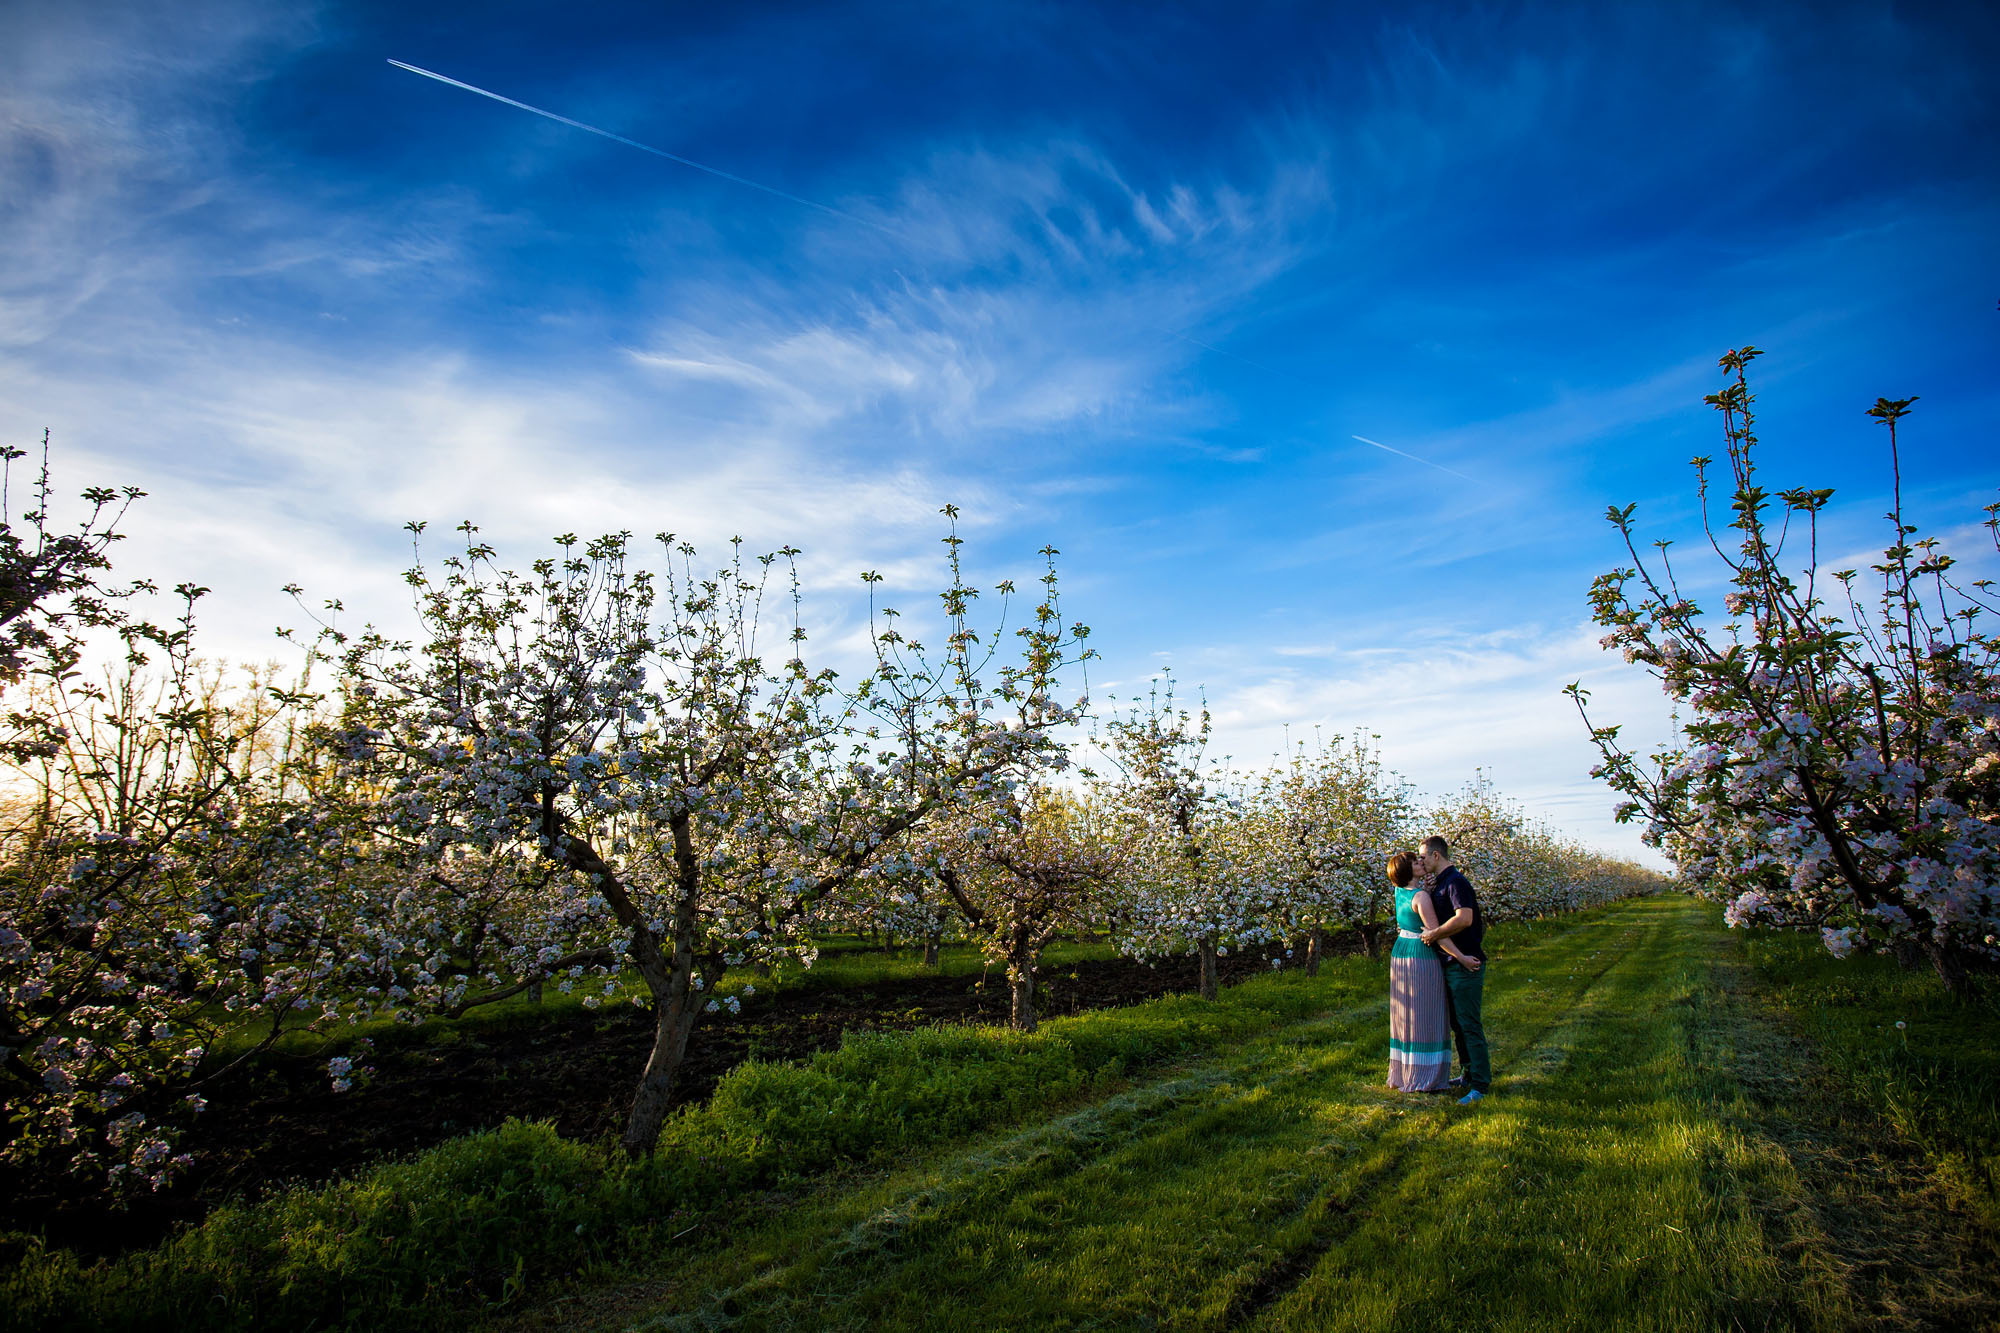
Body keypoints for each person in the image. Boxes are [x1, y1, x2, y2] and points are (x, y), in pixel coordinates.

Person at [1383, 849, 1477, 1093]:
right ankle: (1425, 1074)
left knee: (1405, 1011)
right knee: (1426, 1012)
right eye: (1415, 862)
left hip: (1401, 951)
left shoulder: (1399, 891)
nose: (1421, 862)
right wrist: (1462, 957)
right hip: (1420, 954)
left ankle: (1404, 1071)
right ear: (1408, 870)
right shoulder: (1421, 897)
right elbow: (1437, 935)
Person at [1418, 835, 1490, 1103]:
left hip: (1466, 964)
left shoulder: (1456, 882)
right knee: (1458, 1025)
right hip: (1450, 964)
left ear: (1436, 856)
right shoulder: (1441, 884)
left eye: (1423, 857)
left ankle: (1480, 1085)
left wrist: (1435, 933)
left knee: (1470, 1025)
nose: (1421, 861)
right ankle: (1467, 1075)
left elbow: (1465, 918)